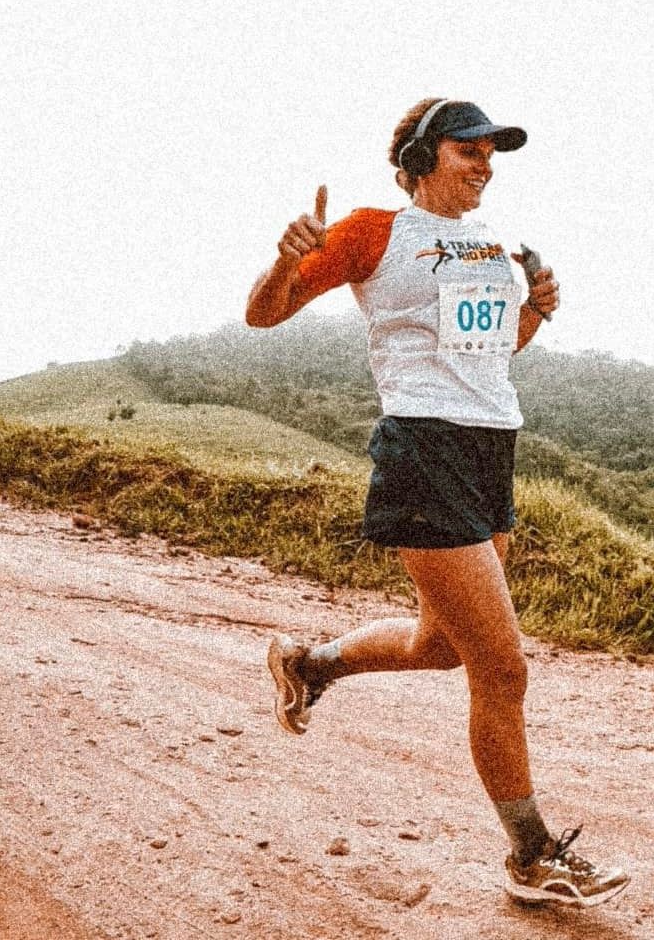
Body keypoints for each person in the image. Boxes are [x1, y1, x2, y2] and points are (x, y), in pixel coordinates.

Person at [247, 98, 629, 908]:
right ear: (423, 159)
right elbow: (265, 313)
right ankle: (532, 855)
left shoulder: (492, 244)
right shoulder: (373, 230)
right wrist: (287, 259)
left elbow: (491, 351)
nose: (486, 163)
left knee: (444, 644)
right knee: (502, 667)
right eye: (469, 151)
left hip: (491, 449)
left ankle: (309, 666)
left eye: (493, 153)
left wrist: (535, 310)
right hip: (423, 449)